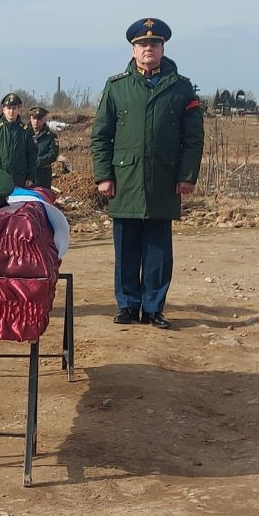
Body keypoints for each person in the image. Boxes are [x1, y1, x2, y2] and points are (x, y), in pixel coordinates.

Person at [91, 18, 204, 329]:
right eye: (142, 44)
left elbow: (193, 138)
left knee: (157, 250)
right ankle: (127, 306)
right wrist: (103, 175)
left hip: (163, 180)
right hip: (124, 179)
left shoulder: (180, 88)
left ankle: (154, 308)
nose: (148, 49)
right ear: (133, 49)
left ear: (163, 47)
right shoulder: (116, 87)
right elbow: (101, 135)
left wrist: (187, 175)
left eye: (154, 44)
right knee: (126, 247)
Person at [0, 92, 35, 186]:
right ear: (3, 110)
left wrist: (30, 177)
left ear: (18, 110)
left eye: (14, 108)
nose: (11, 112)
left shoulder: (26, 131)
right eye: (8, 108)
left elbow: (32, 156)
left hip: (20, 179)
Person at [29, 105, 59, 189]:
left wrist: (38, 161)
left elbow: (53, 154)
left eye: (39, 119)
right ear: (31, 119)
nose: (36, 121)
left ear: (44, 120)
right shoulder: (24, 134)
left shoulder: (51, 136)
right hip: (27, 175)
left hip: (43, 175)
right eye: (34, 118)